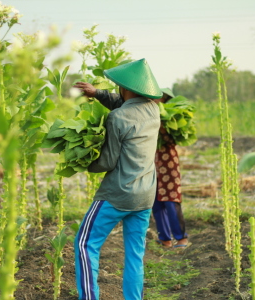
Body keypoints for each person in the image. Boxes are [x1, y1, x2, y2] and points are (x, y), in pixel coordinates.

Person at [73, 58, 162, 300]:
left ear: (126, 88)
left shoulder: (117, 119)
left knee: (85, 244)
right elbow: (123, 102)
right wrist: (98, 93)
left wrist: (81, 161)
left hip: (117, 194)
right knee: (135, 254)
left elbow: (107, 162)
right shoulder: (154, 110)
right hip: (145, 195)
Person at [152, 88, 189, 248]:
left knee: (171, 201)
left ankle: (181, 238)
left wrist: (161, 123)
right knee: (156, 203)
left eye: (160, 99)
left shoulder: (169, 117)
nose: (156, 101)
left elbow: (171, 139)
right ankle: (165, 239)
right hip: (153, 164)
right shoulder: (149, 115)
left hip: (169, 166)